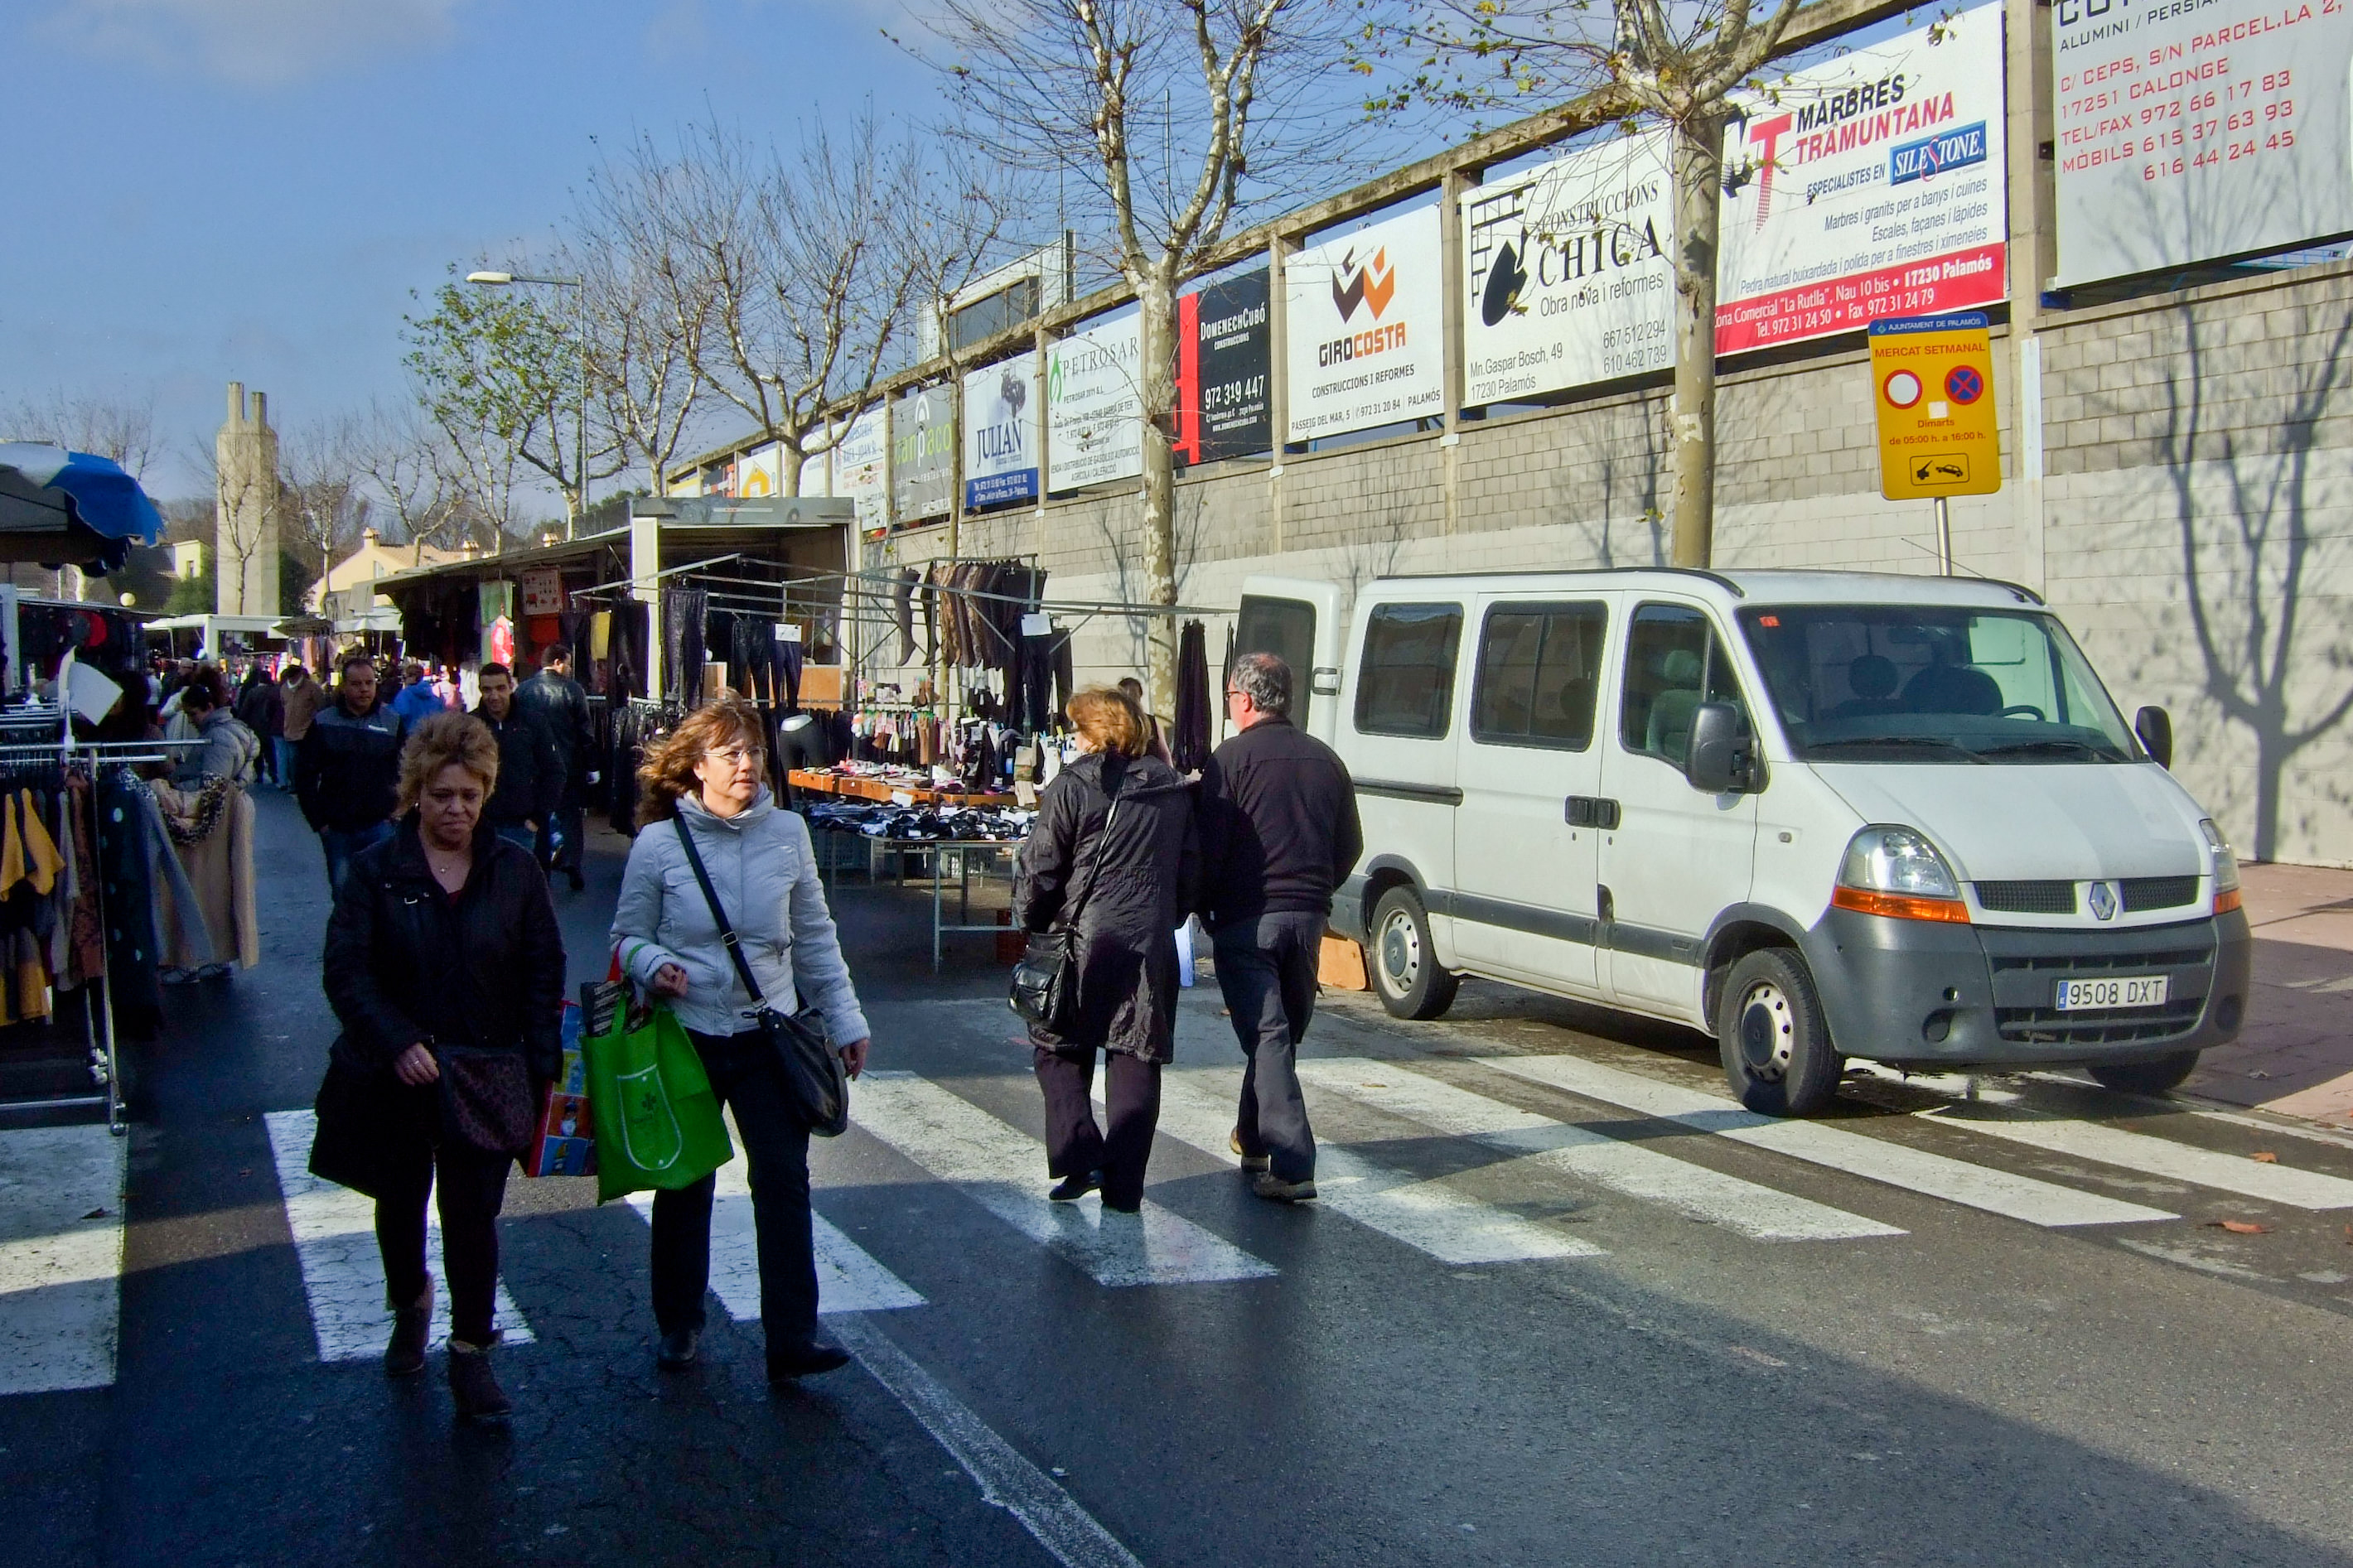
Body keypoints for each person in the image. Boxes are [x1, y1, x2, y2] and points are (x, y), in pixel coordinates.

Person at [609, 697, 871, 1385]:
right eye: (730, 753)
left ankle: (792, 1337)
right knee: (686, 1183)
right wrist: (651, 963)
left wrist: (845, 1020)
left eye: (753, 751)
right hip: (688, 1034)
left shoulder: (788, 833)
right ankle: (680, 1321)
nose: (748, 764)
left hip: (768, 1034)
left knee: (783, 1180)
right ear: (697, 766)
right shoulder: (660, 843)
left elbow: (815, 937)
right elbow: (626, 936)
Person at [317, 712, 567, 1424]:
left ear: (487, 792)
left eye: (469, 795)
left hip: (487, 1069)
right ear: (415, 794)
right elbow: (346, 971)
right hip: (400, 1074)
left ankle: (471, 1350)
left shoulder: (515, 869)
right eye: (441, 795)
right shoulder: (375, 871)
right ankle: (411, 1300)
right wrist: (396, 1040)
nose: (456, 808)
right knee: (399, 1204)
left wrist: (540, 1065)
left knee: (472, 1216)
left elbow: (542, 967)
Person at [1013, 688, 1198, 1212]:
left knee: (1057, 1046)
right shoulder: (1172, 789)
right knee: (1136, 1053)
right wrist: (1167, 917)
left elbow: (1041, 866)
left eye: (1078, 729)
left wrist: (1028, 918)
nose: (1074, 739)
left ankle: (1080, 1154)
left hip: (1081, 937)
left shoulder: (1074, 785)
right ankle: (1124, 1187)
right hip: (1147, 940)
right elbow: (1191, 872)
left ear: (1097, 732)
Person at [1196, 652, 1363, 1204]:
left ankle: (1292, 1163)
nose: (1229, 705)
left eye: (1229, 696)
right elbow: (1350, 844)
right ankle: (1253, 1138)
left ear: (1244, 699)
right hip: (1307, 917)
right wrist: (1317, 890)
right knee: (1279, 1036)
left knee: (1269, 1036)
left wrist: (1203, 906)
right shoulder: (1327, 760)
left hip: (1248, 919)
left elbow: (1208, 850)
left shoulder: (1229, 760)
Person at [296, 652, 407, 894]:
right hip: (338, 829)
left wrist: (398, 811)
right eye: (356, 684)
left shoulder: (392, 722)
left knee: (384, 893)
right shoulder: (324, 722)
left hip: (381, 824)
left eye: (369, 683)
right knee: (343, 892)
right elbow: (304, 774)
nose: (364, 689)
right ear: (344, 687)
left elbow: (408, 769)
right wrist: (319, 822)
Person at [518, 647, 593, 890]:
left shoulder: (524, 690)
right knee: (570, 815)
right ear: (559, 662)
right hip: (568, 763)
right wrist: (592, 765)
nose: (570, 669)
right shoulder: (573, 690)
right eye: (568, 664)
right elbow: (585, 731)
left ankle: (542, 870)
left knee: (539, 815)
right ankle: (572, 861)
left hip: (535, 765)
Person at [471, 663, 564, 857]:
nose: (494, 696)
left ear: (511, 686)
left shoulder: (534, 722)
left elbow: (555, 771)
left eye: (500, 688)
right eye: (487, 690)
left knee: (522, 875)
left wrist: (538, 817)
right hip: (482, 825)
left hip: (523, 825)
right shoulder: (469, 725)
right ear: (480, 690)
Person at [233, 664, 283, 787]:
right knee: (270, 751)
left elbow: (245, 709)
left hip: (255, 725)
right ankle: (274, 773)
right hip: (271, 725)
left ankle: (259, 774)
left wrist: (241, 721)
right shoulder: (276, 691)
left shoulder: (253, 692)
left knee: (258, 752)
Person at [278, 663, 322, 792]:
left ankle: (307, 785)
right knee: (293, 760)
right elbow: (284, 705)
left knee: (307, 760)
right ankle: (295, 784)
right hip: (290, 730)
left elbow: (320, 705)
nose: (292, 680)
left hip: (308, 731)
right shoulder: (284, 689)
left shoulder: (312, 688)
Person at [1115, 676, 1176, 766]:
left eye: (1133, 695)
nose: (1130, 700)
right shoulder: (1113, 723)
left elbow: (1164, 753)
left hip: (1151, 770)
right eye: (1126, 696)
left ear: (1139, 696)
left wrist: (1170, 771)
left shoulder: (1152, 722)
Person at [389, 661, 443, 726]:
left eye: (404, 677)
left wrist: (387, 708)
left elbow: (401, 713)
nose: (403, 680)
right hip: (432, 731)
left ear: (413, 677)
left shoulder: (404, 695)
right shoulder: (434, 697)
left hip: (412, 731)